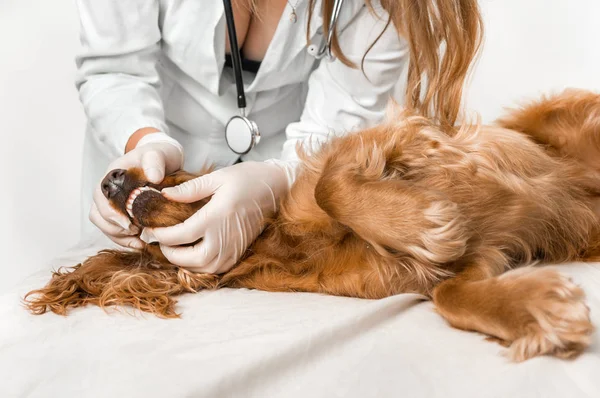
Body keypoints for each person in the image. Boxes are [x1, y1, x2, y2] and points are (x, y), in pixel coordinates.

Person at [78, 0, 482, 275]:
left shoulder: (383, 7)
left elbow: (342, 111)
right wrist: (144, 142)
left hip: (292, 173)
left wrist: (275, 183)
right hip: (144, 153)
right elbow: (115, 68)